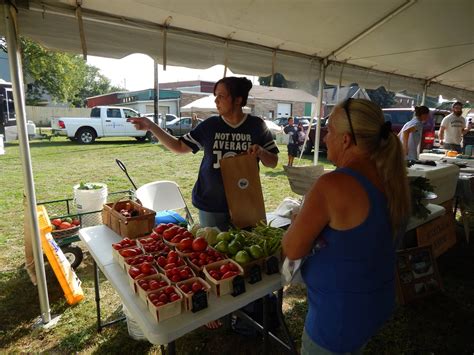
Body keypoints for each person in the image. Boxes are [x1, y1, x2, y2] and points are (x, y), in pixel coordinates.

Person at [128, 77, 279, 327]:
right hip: (210, 203)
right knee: (209, 257)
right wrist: (151, 126)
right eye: (215, 95)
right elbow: (179, 147)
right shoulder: (209, 126)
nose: (216, 100)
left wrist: (261, 153)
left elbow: (273, 161)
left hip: (245, 204)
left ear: (238, 100)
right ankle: (214, 309)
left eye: (221, 95)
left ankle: (246, 305)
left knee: (245, 257)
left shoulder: (256, 126)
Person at [282, 98, 410, 354]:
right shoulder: (390, 176)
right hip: (371, 303)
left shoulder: (333, 185)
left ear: (346, 140)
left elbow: (292, 248)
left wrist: (297, 221)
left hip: (336, 320)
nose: (325, 137)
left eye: (329, 130)